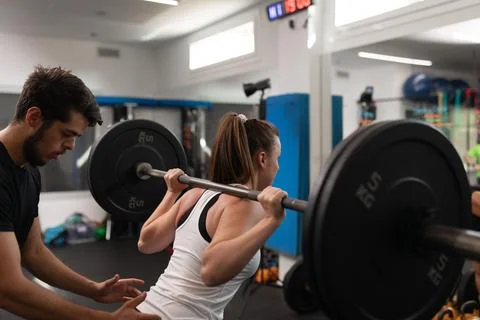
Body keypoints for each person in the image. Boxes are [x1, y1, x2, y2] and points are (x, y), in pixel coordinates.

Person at [0, 65, 160, 320]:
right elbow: (6, 287)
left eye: (76, 137)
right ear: (33, 117)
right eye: (66, 134)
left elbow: (34, 252)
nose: (71, 146)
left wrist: (94, 289)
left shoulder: (28, 171)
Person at [136, 112, 286, 319]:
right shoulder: (243, 204)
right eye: (277, 158)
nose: (277, 166)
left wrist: (172, 192)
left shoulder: (197, 194)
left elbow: (146, 241)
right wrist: (272, 220)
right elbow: (211, 272)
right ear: (262, 159)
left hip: (144, 310)